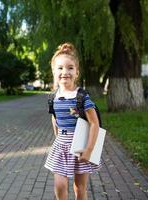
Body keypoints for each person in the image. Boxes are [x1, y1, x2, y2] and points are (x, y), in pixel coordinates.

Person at [44, 42, 101, 200]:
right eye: (60, 68)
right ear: (54, 71)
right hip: (61, 148)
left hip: (80, 147)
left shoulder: (82, 97)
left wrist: (89, 150)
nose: (65, 72)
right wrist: (58, 138)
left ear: (77, 72)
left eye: (70, 68)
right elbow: (54, 117)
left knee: (80, 188)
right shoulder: (53, 97)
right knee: (60, 185)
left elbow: (94, 123)